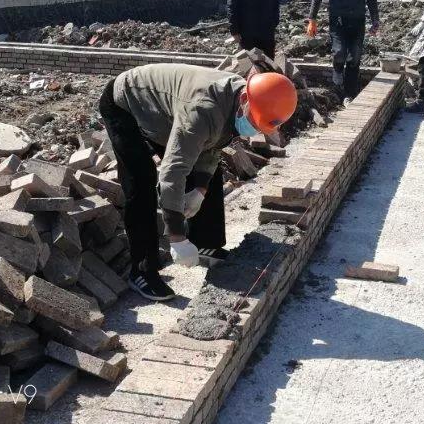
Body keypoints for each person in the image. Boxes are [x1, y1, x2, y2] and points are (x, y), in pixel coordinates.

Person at [99, 64, 297, 301]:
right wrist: (176, 236)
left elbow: (212, 147)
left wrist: (200, 190)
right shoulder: (203, 109)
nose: (253, 130)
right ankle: (142, 270)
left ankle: (204, 243)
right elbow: (173, 170)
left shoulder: (240, 102)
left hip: (167, 112)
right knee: (141, 182)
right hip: (127, 104)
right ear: (244, 99)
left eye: (258, 126)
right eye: (253, 122)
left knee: (204, 172)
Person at [305, 0, 380, 105]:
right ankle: (337, 69)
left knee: (354, 57)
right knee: (339, 53)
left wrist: (375, 20)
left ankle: (349, 94)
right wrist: (312, 19)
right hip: (338, 21)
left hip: (358, 21)